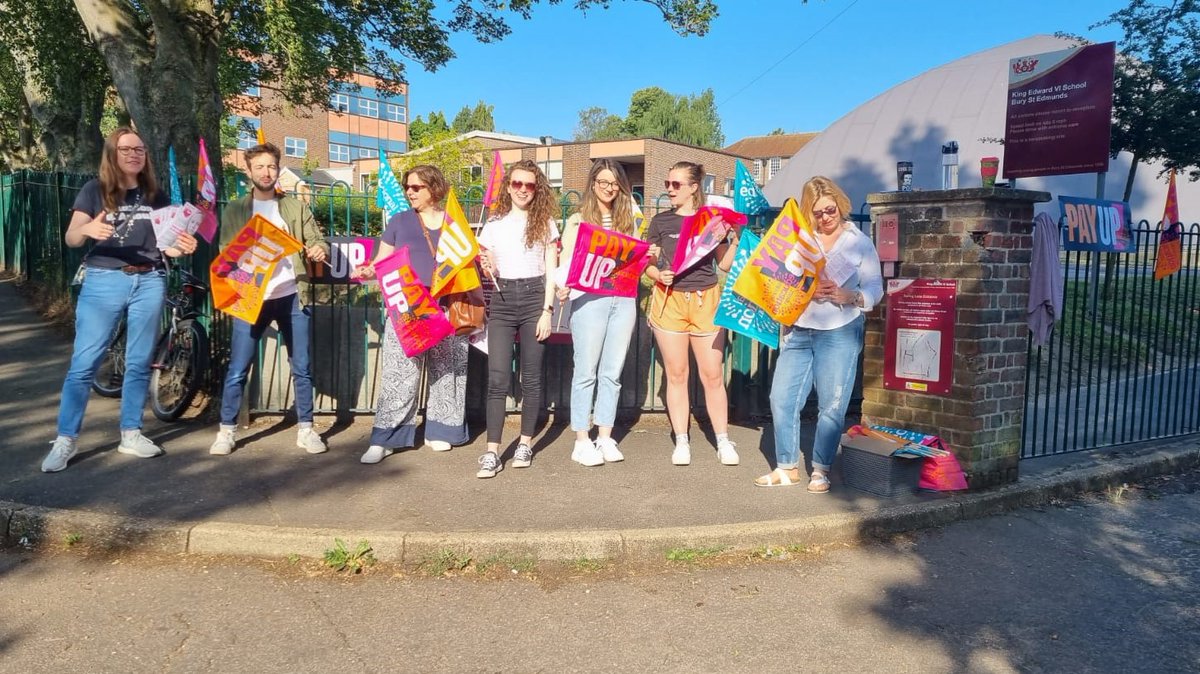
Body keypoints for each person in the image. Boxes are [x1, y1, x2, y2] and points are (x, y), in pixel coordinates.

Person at [41, 127, 198, 473]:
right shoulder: (94, 192)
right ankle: (66, 439)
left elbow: (165, 244)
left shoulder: (155, 196)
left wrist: (182, 247)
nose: (134, 154)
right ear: (112, 154)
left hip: (150, 279)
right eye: (126, 149)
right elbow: (70, 238)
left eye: (139, 149)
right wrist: (87, 231)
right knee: (84, 364)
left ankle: (131, 433)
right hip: (104, 280)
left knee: (139, 361)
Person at [755, 176, 883, 493]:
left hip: (840, 329)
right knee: (781, 398)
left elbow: (875, 288)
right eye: (818, 213)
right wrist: (808, 292)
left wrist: (849, 297)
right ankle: (787, 467)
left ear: (840, 204)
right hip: (800, 328)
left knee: (832, 403)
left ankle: (821, 469)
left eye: (830, 210)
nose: (826, 218)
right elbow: (781, 280)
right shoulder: (801, 241)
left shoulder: (858, 242)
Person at [208, 142, 329, 456]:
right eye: (259, 166)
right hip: (251, 299)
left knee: (301, 366)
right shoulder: (236, 209)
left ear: (278, 169)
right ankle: (226, 431)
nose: (266, 172)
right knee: (238, 367)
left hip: (291, 295)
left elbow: (317, 241)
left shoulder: (295, 208)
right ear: (249, 171)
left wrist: (319, 249)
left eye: (272, 166)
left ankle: (306, 429)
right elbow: (226, 253)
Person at [350, 165, 469, 463]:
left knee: (447, 371)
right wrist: (367, 270)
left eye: (417, 187)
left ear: (434, 188)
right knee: (399, 373)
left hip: (446, 304)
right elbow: (381, 261)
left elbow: (467, 263)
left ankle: (441, 431)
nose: (409, 192)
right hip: (406, 307)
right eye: (408, 187)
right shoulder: (399, 220)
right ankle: (386, 437)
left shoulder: (454, 221)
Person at [643, 161, 739, 467]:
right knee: (677, 374)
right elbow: (646, 263)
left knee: (712, 375)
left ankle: (723, 440)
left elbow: (724, 266)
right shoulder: (660, 222)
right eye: (668, 184)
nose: (669, 189)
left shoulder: (712, 221)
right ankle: (681, 440)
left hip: (706, 300)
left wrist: (734, 238)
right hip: (669, 301)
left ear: (694, 187)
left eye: (676, 185)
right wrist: (657, 274)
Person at [476, 160, 559, 478]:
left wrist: (547, 311)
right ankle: (491, 452)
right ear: (508, 186)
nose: (523, 190)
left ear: (537, 189)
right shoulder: (494, 224)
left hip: (535, 297)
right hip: (503, 299)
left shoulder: (546, 223)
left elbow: (552, 270)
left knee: (531, 378)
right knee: (497, 378)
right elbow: (492, 269)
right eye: (517, 184)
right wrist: (489, 266)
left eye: (530, 185)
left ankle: (525, 443)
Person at [556, 159, 638, 467]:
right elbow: (565, 261)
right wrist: (562, 287)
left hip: (623, 298)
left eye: (614, 183)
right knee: (586, 371)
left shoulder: (629, 221)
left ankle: (605, 435)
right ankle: (581, 440)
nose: (609, 188)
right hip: (589, 299)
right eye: (603, 182)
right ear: (593, 185)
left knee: (612, 372)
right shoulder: (578, 221)